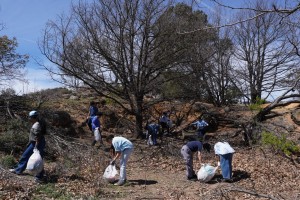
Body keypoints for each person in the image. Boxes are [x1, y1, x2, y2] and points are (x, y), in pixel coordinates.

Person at [9, 110, 46, 183]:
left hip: (37, 143)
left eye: (29, 117)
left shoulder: (36, 125)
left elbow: (38, 136)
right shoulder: (37, 123)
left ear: (33, 118)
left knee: (37, 159)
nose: (29, 119)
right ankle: (19, 170)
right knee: (28, 157)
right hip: (36, 143)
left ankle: (39, 177)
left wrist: (36, 146)